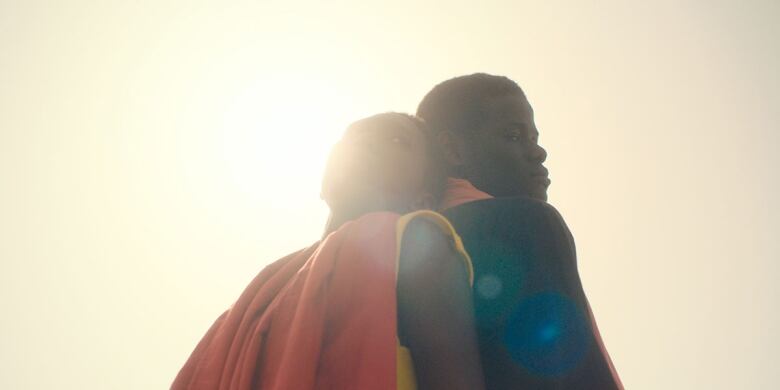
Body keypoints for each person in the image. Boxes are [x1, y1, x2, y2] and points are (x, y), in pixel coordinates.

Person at [172, 113, 484, 390]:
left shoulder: (418, 242)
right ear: (323, 183)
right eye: (350, 138)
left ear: (422, 200)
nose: (364, 143)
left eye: (396, 139)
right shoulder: (260, 292)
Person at [417, 73, 623, 389]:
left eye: (534, 139)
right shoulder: (522, 223)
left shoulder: (404, 244)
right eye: (513, 136)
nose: (538, 153)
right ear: (452, 150)